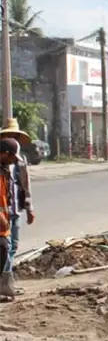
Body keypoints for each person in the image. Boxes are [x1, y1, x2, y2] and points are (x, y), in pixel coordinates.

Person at [0, 120, 34, 298]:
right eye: (9, 135)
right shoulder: (3, 162)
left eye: (15, 136)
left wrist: (29, 207)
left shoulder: (18, 160)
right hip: (3, 214)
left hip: (14, 210)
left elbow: (25, 184)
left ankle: (7, 283)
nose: (13, 138)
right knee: (4, 248)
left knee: (12, 247)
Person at [0, 138, 18, 299]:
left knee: (4, 250)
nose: (13, 161)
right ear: (5, 153)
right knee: (3, 249)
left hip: (3, 223)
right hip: (1, 222)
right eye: (12, 156)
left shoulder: (4, 169)